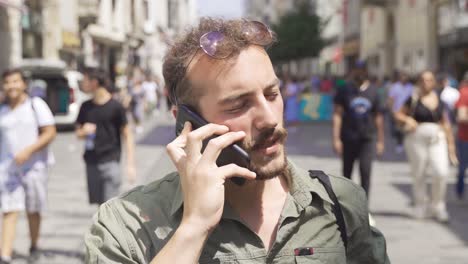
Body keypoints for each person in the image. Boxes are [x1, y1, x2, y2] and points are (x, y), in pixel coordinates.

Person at [84, 18, 389, 263]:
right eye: (239, 105)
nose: (269, 118)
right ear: (186, 123)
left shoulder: (341, 203)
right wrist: (193, 227)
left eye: (272, 94)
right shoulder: (125, 224)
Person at [0, 68, 56, 263]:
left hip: (34, 168)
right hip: (8, 169)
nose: (11, 86)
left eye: (15, 81)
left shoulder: (36, 105)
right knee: (9, 209)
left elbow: (49, 132)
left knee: (33, 209)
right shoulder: (2, 109)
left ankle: (34, 244)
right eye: (7, 82)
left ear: (23, 84)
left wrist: (28, 151)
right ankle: (5, 254)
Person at [394, 70, 457, 222]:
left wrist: (451, 148)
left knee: (441, 172)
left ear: (434, 82)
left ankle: (438, 205)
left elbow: (446, 123)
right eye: (423, 80)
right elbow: (398, 114)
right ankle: (420, 205)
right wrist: (408, 120)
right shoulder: (413, 99)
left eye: (429, 80)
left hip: (436, 138)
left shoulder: (440, 101)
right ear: (419, 82)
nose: (426, 83)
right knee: (419, 173)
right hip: (416, 138)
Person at [75, 68, 136, 205]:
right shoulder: (85, 106)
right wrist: (83, 132)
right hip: (91, 162)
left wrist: (130, 164)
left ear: (94, 82)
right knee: (99, 206)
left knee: (109, 206)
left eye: (84, 81)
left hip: (111, 161)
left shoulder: (116, 107)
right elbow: (78, 133)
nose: (82, 84)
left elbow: (128, 135)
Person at [332, 69, 385, 200]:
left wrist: (380, 141)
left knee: (365, 171)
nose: (359, 75)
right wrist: (336, 139)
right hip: (348, 137)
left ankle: (364, 206)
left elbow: (378, 117)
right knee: (346, 173)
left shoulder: (374, 91)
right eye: (356, 72)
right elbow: (337, 114)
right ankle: (347, 204)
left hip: (367, 138)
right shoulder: (344, 90)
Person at [388, 72, 414, 153]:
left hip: (407, 112)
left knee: (407, 128)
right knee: (398, 129)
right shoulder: (395, 87)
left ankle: (407, 143)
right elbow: (391, 99)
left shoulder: (410, 87)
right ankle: (400, 143)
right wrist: (392, 109)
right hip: (397, 111)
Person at [455, 71, 468, 199]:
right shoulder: (464, 93)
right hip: (465, 138)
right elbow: (461, 116)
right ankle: (459, 191)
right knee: (463, 167)